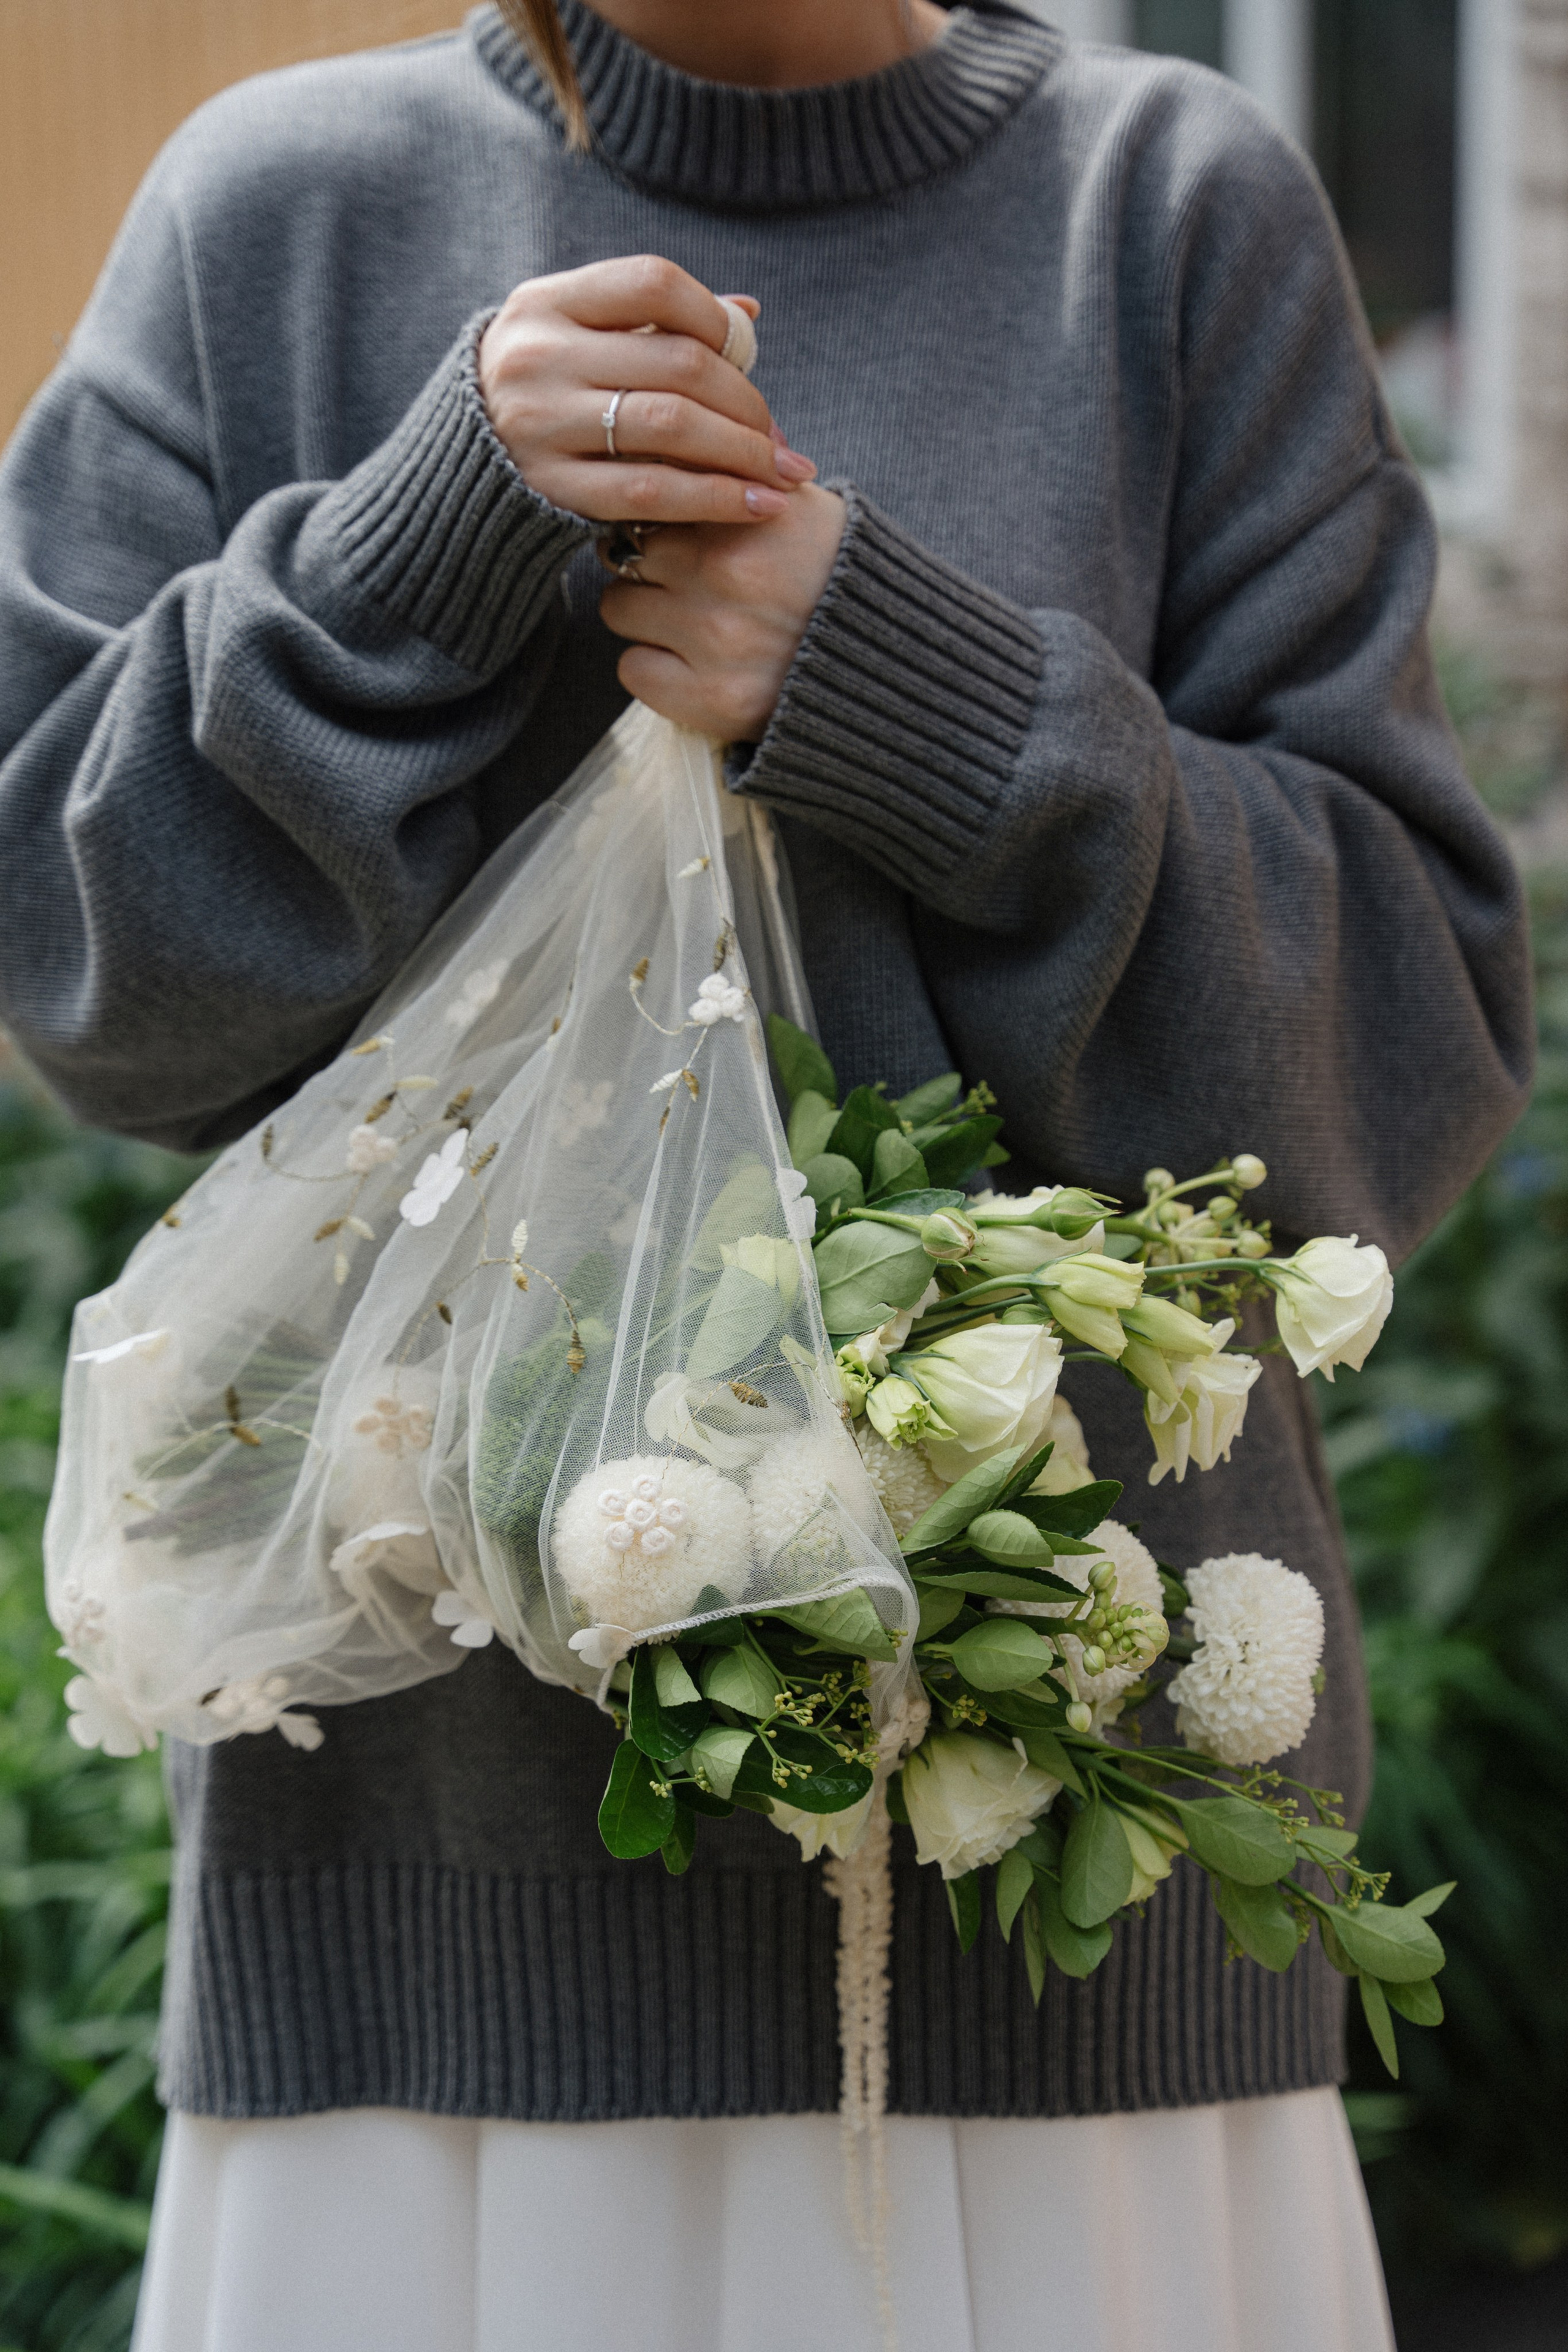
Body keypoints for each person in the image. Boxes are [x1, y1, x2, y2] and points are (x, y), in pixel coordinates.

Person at [0, 1, 1532, 2345]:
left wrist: (925, 703)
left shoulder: (1168, 210)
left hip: (1071, 1976)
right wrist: (411, 562)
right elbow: (85, 983)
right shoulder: (280, 211)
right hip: (429, 1995)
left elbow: (1401, 1065)